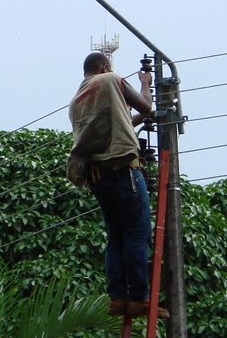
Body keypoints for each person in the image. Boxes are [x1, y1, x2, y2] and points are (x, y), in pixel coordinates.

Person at [68, 52, 167, 319]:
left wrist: (137, 121)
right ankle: (139, 299)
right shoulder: (112, 79)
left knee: (116, 236)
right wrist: (146, 82)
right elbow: (146, 105)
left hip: (99, 177)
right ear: (105, 67)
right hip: (124, 171)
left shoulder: (77, 101)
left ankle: (118, 298)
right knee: (136, 234)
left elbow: (113, 126)